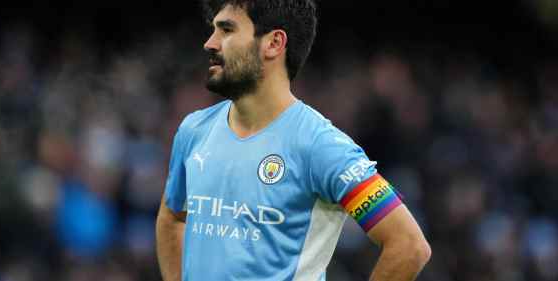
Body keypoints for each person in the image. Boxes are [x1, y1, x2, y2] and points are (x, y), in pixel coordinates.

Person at [156, 0, 431, 280]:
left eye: (226, 30)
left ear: (274, 43)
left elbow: (409, 246)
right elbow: (172, 218)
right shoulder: (194, 130)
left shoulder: (321, 146)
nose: (210, 43)